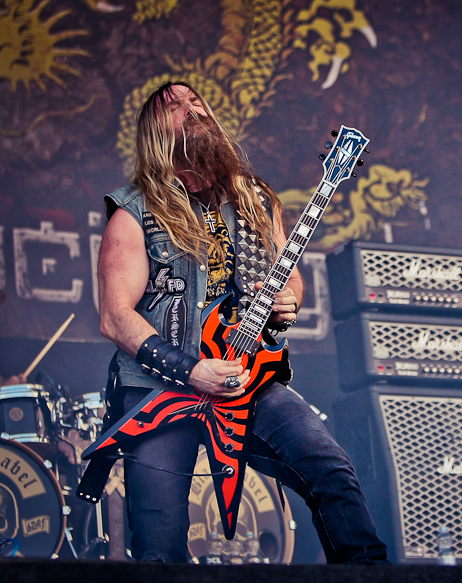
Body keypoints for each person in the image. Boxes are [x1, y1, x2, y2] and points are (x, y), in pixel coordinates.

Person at [96, 81, 388, 563]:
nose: (193, 110)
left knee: (331, 469)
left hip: (245, 376)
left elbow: (290, 281)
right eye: (177, 107)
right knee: (159, 542)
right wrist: (189, 369)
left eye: (197, 102)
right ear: (154, 131)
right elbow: (114, 316)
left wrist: (285, 303)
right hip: (158, 386)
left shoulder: (254, 199)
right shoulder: (135, 210)